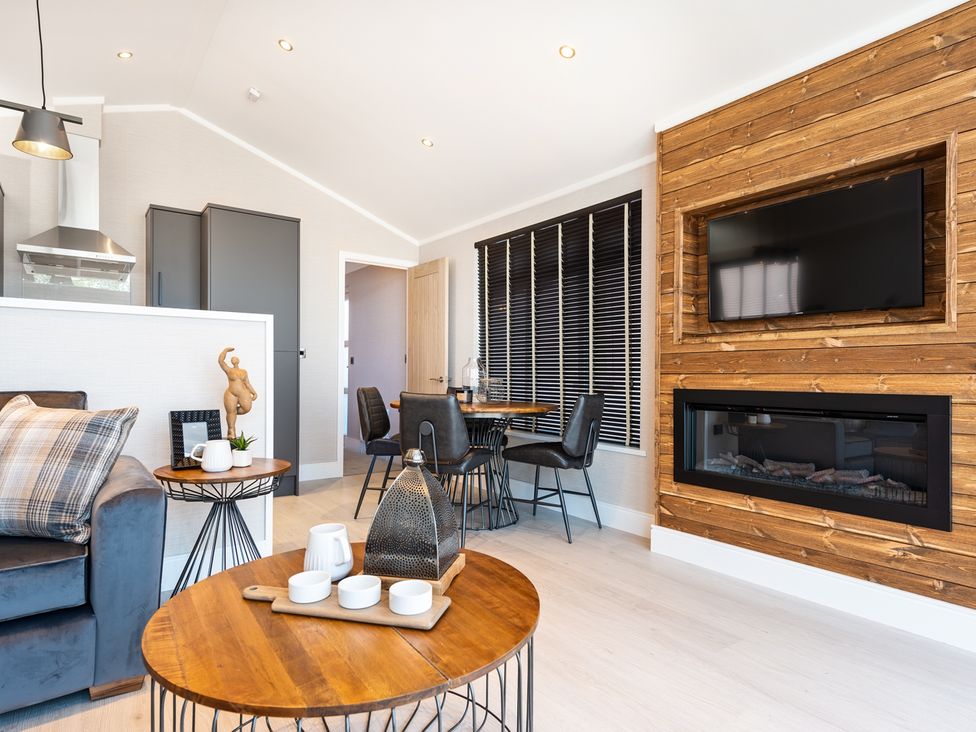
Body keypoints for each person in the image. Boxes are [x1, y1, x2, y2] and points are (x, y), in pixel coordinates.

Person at [219, 346, 258, 438]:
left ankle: (232, 413)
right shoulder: (229, 370)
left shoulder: (244, 371)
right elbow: (221, 361)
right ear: (232, 362)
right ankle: (231, 430)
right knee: (230, 412)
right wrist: (225, 351)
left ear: (238, 361)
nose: (234, 359)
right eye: (232, 358)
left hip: (243, 393)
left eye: (235, 358)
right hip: (231, 393)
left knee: (246, 408)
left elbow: (247, 383)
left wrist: (254, 392)